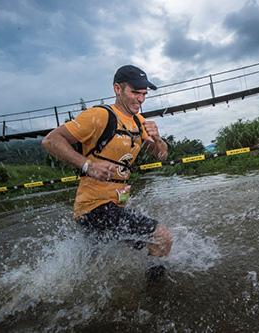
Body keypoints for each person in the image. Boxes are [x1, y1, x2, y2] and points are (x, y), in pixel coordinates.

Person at [42, 65, 172, 258]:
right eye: (135, 92)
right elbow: (51, 140)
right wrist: (88, 165)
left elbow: (161, 155)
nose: (141, 99)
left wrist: (158, 138)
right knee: (162, 236)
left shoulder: (138, 121)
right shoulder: (99, 115)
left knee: (144, 247)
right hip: (93, 208)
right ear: (117, 89)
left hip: (115, 206)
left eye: (144, 93)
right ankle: (156, 285)